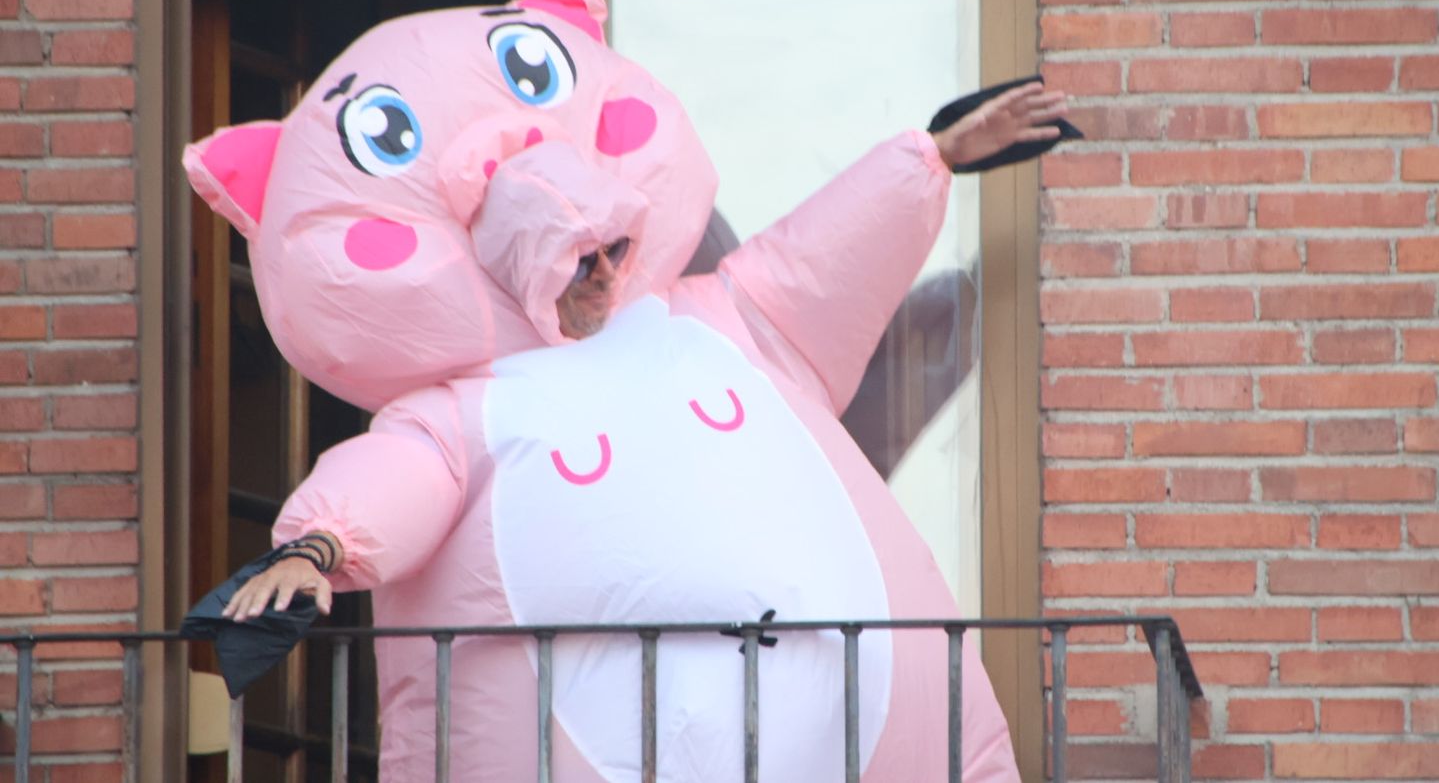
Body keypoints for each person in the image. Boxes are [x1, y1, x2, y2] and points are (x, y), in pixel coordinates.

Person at [219, 79, 1068, 624]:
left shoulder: (711, 320)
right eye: (575, 259)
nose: (600, 273)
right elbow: (395, 478)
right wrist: (313, 548)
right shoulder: (474, 402)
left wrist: (937, 154)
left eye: (612, 250)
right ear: (530, 270)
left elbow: (820, 256)